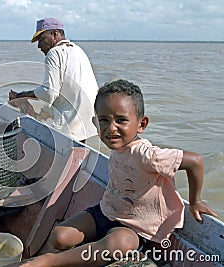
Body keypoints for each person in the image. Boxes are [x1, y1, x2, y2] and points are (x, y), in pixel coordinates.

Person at [19, 79, 217, 266]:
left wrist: (196, 201)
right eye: (104, 120)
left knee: (119, 244)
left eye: (121, 120)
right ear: (96, 124)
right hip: (106, 212)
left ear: (142, 124)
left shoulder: (146, 154)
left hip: (135, 228)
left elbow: (195, 161)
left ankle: (48, 262)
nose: (111, 128)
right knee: (60, 235)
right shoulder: (117, 147)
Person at [9, 18, 99, 143]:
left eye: (41, 39)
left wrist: (20, 96)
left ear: (54, 34)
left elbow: (49, 93)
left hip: (71, 119)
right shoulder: (78, 50)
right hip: (91, 118)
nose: (39, 46)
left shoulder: (54, 53)